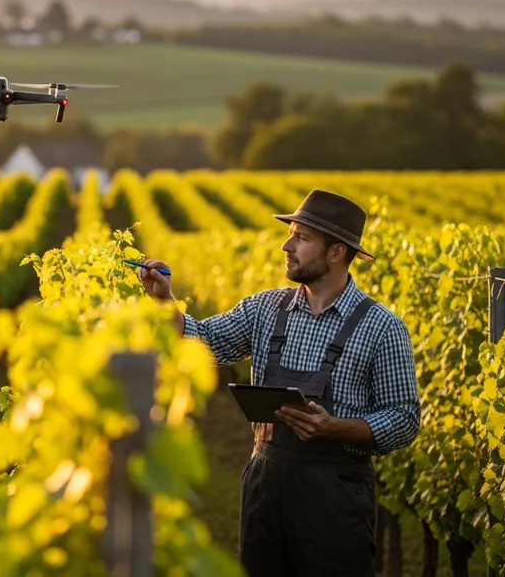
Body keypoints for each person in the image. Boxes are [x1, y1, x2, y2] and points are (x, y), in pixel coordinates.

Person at [135, 189, 419, 577]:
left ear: (336, 253)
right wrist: (165, 302)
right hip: (264, 488)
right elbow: (203, 343)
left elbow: (404, 419)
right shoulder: (265, 308)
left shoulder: (382, 328)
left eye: (301, 238)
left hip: (335, 497)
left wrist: (335, 428)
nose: (287, 245)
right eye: (291, 234)